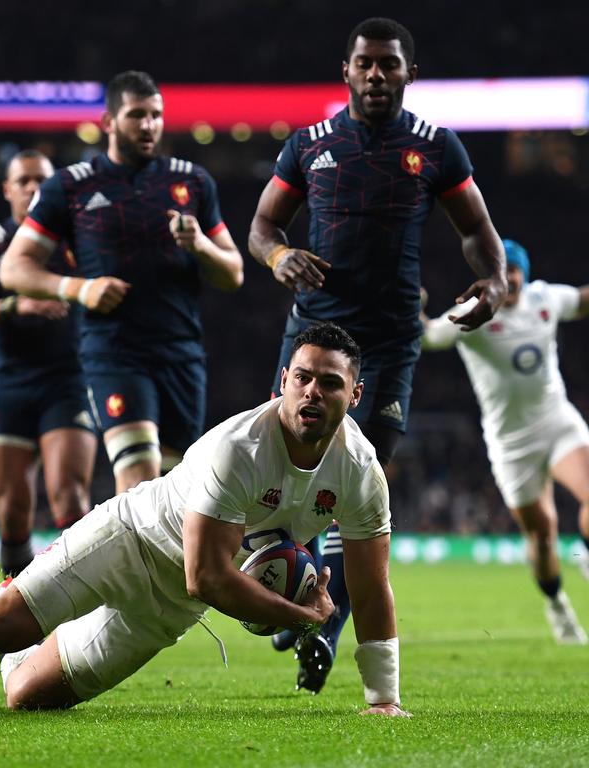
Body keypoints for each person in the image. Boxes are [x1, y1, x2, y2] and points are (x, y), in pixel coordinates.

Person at [0, 323, 409, 719]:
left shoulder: (360, 471)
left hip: (170, 612)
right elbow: (207, 578)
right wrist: (298, 616)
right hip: (129, 541)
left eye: (330, 383)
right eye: (303, 378)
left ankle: (28, 611)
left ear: (355, 395)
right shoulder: (236, 447)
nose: (312, 393)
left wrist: (383, 698)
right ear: (282, 384)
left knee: (25, 697)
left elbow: (373, 587)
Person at [247, 17, 507, 692]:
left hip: (390, 340)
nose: (376, 75)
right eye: (365, 64)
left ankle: (323, 631)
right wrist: (278, 255)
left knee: (366, 478)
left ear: (407, 74)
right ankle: (297, 582)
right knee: (290, 466)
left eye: (389, 65)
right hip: (315, 333)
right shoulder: (309, 145)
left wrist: (497, 278)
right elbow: (262, 225)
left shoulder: (435, 148)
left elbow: (478, 229)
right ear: (347, 70)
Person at [0, 70, 243, 494]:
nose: (148, 125)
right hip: (114, 351)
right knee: (138, 477)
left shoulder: (193, 182)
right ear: (108, 122)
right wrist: (78, 288)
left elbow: (234, 273)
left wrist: (200, 245)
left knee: (176, 490)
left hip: (181, 353)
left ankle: (152, 562)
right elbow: (13, 269)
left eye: (156, 115)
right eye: (136, 115)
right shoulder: (70, 186)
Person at [423, 239, 589, 644]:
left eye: (514, 269)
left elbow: (583, 301)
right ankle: (556, 604)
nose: (510, 277)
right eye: (502, 270)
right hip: (510, 444)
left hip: (557, 422)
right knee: (543, 533)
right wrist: (413, 308)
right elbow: (429, 336)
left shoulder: (545, 299)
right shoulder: (471, 313)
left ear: (523, 273)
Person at [0, 149, 97, 578]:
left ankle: (78, 613)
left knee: (68, 499)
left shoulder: (76, 239)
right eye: (24, 181)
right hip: (10, 386)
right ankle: (14, 622)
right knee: (13, 512)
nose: (34, 188)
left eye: (41, 181)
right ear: (7, 189)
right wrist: (16, 305)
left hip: (67, 382)